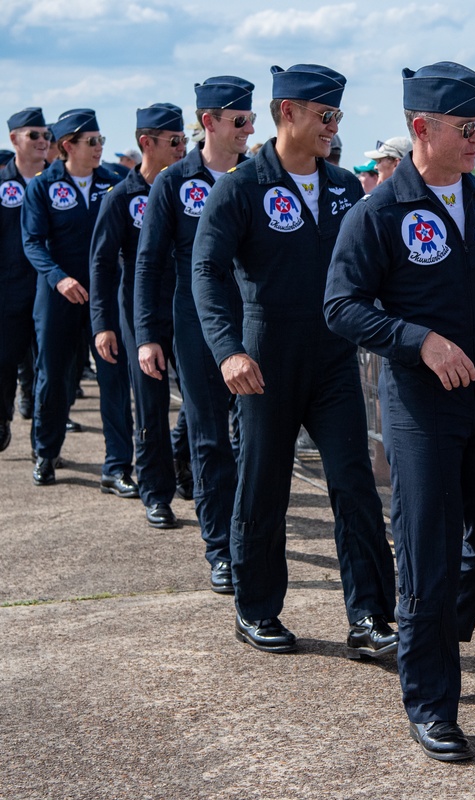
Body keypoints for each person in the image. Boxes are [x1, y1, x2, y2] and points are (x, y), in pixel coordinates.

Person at [325, 60, 475, 762]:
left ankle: (428, 629)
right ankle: (433, 703)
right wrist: (418, 340)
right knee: (427, 550)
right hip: (418, 405)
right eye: (467, 128)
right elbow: (341, 307)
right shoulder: (378, 212)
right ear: (420, 128)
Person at [191, 63, 398, 658]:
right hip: (265, 356)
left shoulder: (340, 186)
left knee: (354, 484)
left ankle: (369, 616)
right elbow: (205, 271)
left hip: (333, 358)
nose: (335, 126)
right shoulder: (241, 185)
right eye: (325, 115)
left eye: (338, 116)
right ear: (289, 113)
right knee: (262, 485)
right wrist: (227, 349)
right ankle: (256, 609)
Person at [134, 75, 255, 593]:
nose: (249, 131)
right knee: (209, 438)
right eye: (239, 122)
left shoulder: (258, 177)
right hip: (194, 322)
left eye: (252, 121)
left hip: (254, 319)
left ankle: (251, 536)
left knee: (253, 437)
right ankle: (221, 549)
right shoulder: (172, 183)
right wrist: (147, 334)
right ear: (209, 122)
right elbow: (148, 263)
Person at [89, 103, 188, 529]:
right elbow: (102, 263)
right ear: (147, 143)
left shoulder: (190, 188)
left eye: (185, 140)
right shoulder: (122, 197)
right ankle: (156, 492)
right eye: (174, 141)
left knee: (203, 400)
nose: (183, 148)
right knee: (150, 406)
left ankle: (185, 465)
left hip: (185, 306)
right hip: (140, 312)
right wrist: (103, 325)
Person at [21, 108, 131, 490]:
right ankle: (46, 452)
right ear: (68, 146)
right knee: (53, 378)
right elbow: (32, 242)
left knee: (114, 379)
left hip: (105, 297)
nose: (100, 147)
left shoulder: (115, 182)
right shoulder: (43, 186)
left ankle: (117, 467)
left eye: (101, 140)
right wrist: (58, 278)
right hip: (59, 297)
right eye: (93, 142)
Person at [0, 108, 49, 454]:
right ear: (14, 139)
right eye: (34, 135)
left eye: (46, 135)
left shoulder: (56, 182)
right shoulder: (2, 186)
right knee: (4, 361)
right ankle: (2, 417)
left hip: (50, 289)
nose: (43, 141)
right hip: (8, 290)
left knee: (49, 367)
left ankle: (44, 441)